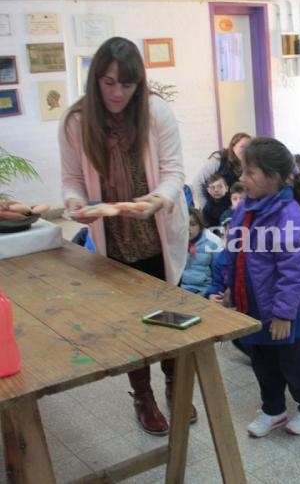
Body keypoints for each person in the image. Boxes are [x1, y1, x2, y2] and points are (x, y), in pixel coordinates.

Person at [60, 36, 190, 436]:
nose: (117, 92)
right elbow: (72, 180)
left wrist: (156, 200)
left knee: (170, 319)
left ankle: (176, 386)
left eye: (127, 84)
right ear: (95, 79)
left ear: (139, 84)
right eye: (109, 82)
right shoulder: (77, 121)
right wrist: (76, 203)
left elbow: (173, 173)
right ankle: (143, 396)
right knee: (133, 325)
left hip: (158, 233)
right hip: (114, 240)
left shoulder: (156, 113)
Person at [226, 137, 300, 437]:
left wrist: (283, 314)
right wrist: (229, 286)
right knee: (263, 361)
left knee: (292, 362)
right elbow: (235, 249)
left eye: (250, 173)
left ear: (274, 177)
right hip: (257, 301)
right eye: (242, 171)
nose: (242, 179)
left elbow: (293, 273)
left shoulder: (289, 216)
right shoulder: (248, 205)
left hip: (288, 307)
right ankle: (273, 409)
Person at [192, 132, 251, 208]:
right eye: (242, 146)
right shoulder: (218, 159)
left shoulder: (250, 164)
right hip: (213, 209)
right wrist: (205, 207)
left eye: (249, 147)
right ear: (233, 147)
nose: (246, 150)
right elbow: (198, 182)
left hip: (233, 210)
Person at [179, 208, 222, 295]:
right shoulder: (176, 240)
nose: (188, 228)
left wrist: (212, 293)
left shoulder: (213, 241)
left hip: (205, 291)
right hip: (180, 289)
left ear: (200, 225)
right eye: (184, 224)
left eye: (193, 224)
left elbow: (220, 274)